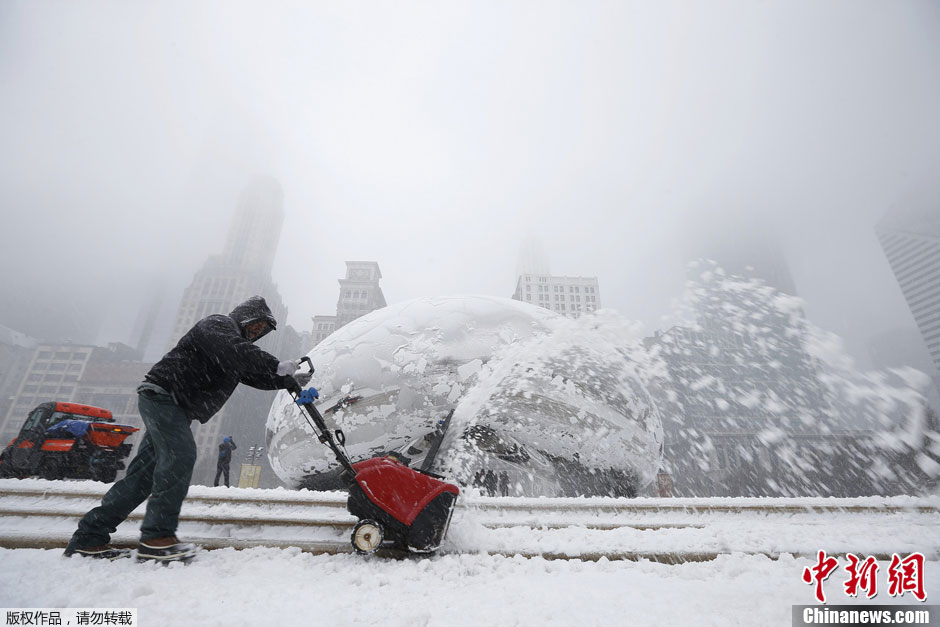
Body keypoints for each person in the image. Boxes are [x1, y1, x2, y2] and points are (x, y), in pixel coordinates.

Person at [63, 296, 312, 562]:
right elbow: (235, 349)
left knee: (142, 477)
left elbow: (256, 375)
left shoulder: (237, 352)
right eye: (257, 325)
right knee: (180, 456)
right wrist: (274, 363)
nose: (257, 332)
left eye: (262, 330)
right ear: (245, 317)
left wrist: (286, 380)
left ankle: (89, 538)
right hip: (163, 396)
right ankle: (157, 538)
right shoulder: (218, 325)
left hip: (174, 407)